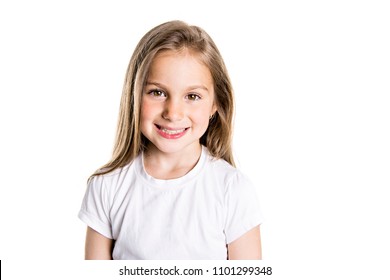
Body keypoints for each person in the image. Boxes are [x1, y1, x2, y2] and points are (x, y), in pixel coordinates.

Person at [78, 20, 264, 260]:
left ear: (216, 104)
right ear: (133, 94)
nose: (173, 113)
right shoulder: (107, 186)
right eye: (158, 92)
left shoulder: (233, 190)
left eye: (192, 96)